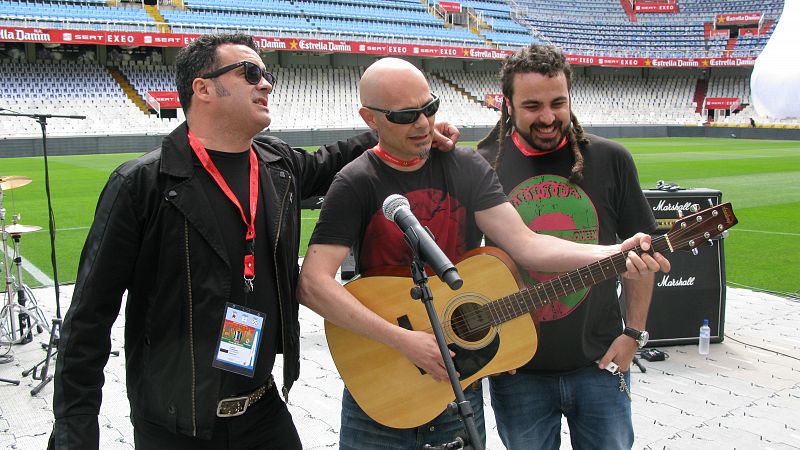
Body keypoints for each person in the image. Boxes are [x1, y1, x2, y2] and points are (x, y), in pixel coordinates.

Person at [49, 33, 458, 450]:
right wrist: (73, 433)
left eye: (267, 74)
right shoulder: (143, 185)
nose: (266, 83)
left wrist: (410, 125)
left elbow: (330, 160)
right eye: (251, 73)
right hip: (175, 423)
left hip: (262, 408)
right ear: (203, 88)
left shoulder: (276, 164)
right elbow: (88, 320)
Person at [297, 57, 669, 450]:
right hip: (380, 381)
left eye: (429, 108)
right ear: (369, 117)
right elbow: (313, 285)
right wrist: (404, 341)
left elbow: (527, 246)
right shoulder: (355, 181)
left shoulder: (465, 166)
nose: (423, 124)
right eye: (406, 116)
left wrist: (614, 252)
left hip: (459, 383)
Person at [477, 44, 660, 449]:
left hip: (599, 363)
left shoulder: (611, 159)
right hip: (517, 371)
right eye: (532, 105)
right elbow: (463, 264)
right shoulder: (483, 164)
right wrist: (494, 348)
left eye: (558, 102)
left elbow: (642, 257)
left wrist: (633, 333)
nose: (547, 117)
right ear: (507, 104)